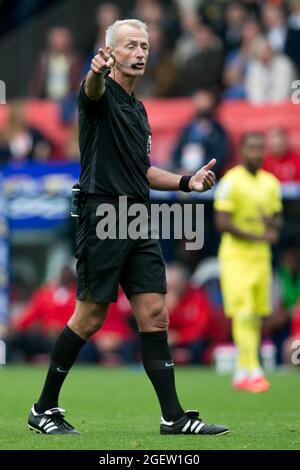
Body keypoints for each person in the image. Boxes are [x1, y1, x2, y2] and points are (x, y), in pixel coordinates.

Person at [28, 19, 229, 436]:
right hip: (103, 214)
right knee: (90, 316)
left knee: (155, 314)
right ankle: (43, 408)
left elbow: (143, 171)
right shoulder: (98, 95)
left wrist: (186, 182)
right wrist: (95, 72)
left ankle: (173, 417)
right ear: (111, 53)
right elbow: (90, 90)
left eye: (145, 46)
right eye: (131, 46)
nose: (140, 52)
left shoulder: (139, 110)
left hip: (138, 216)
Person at [214, 131, 283, 393]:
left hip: (261, 257)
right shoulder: (231, 181)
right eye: (251, 147)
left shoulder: (271, 183)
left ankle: (242, 371)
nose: (256, 152)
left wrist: (272, 225)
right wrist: (257, 234)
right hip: (236, 257)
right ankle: (254, 368)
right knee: (241, 311)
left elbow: (277, 217)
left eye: (259, 147)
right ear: (241, 150)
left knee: (255, 315)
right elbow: (221, 222)